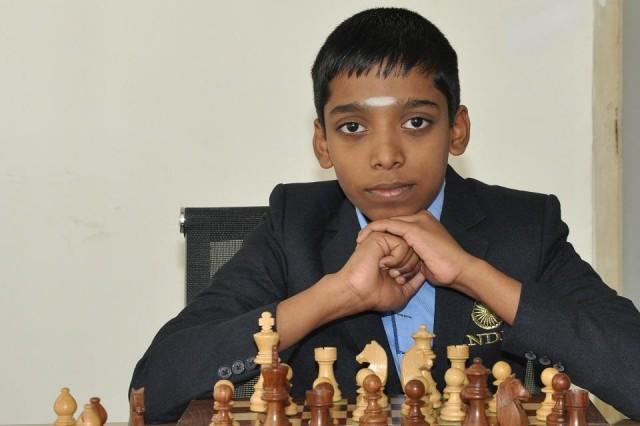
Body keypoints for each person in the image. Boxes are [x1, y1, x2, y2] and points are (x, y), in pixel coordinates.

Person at [130, 8, 640, 422]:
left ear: (457, 131)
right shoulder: (295, 228)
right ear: (322, 143)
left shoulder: (523, 227)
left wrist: (473, 273)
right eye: (353, 127)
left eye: (416, 122)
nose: (386, 154)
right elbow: (153, 388)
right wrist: (337, 294)